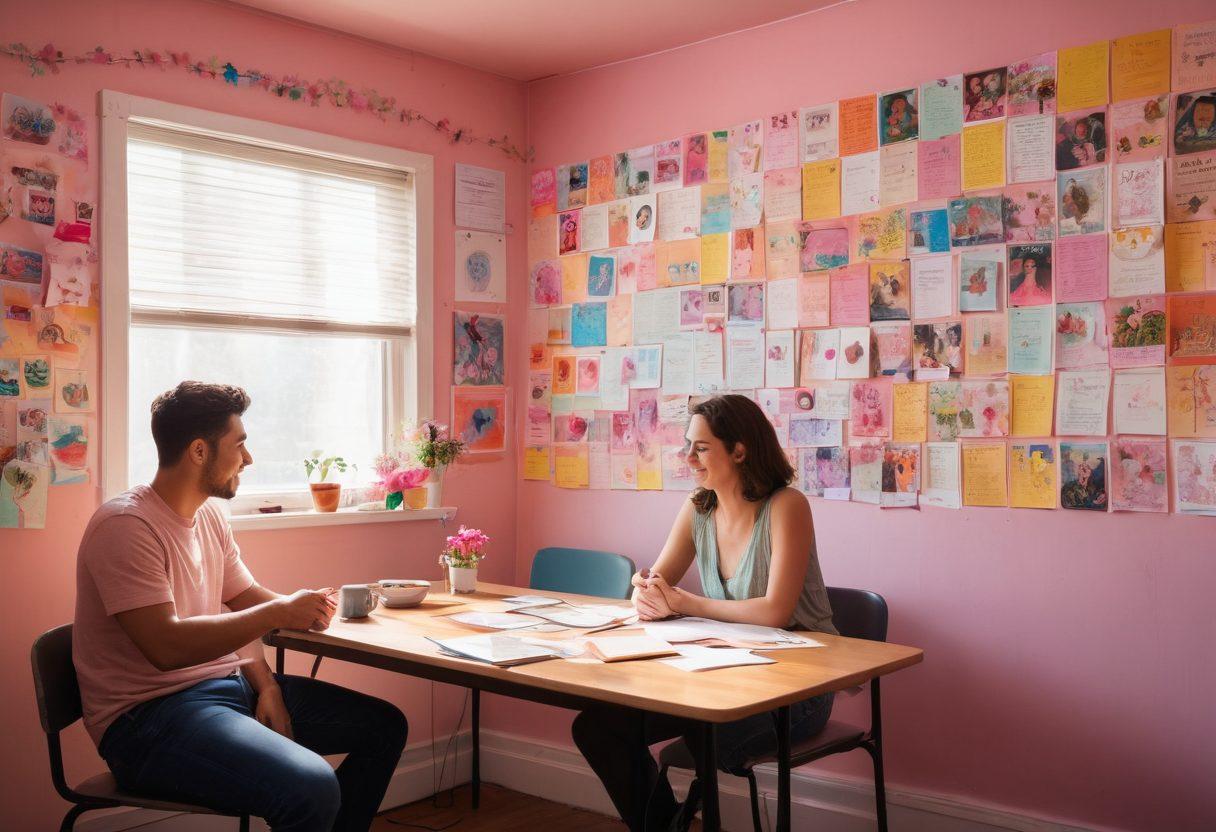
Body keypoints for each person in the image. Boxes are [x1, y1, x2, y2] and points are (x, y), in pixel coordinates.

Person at [74, 382, 407, 831]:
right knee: (311, 785)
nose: (248, 459)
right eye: (240, 444)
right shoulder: (125, 527)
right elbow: (166, 647)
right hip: (147, 720)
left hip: (226, 690)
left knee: (383, 727)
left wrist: (269, 681)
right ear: (198, 451)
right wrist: (280, 612)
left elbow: (247, 603)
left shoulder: (209, 516)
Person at [571, 395, 837, 832]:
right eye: (687, 445)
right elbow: (657, 582)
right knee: (597, 729)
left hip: (798, 691)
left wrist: (683, 601)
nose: (688, 457)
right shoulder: (700, 507)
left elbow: (775, 611)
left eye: (701, 447)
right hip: (722, 678)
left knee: (706, 730)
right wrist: (645, 592)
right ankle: (664, 826)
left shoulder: (787, 505)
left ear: (739, 450)